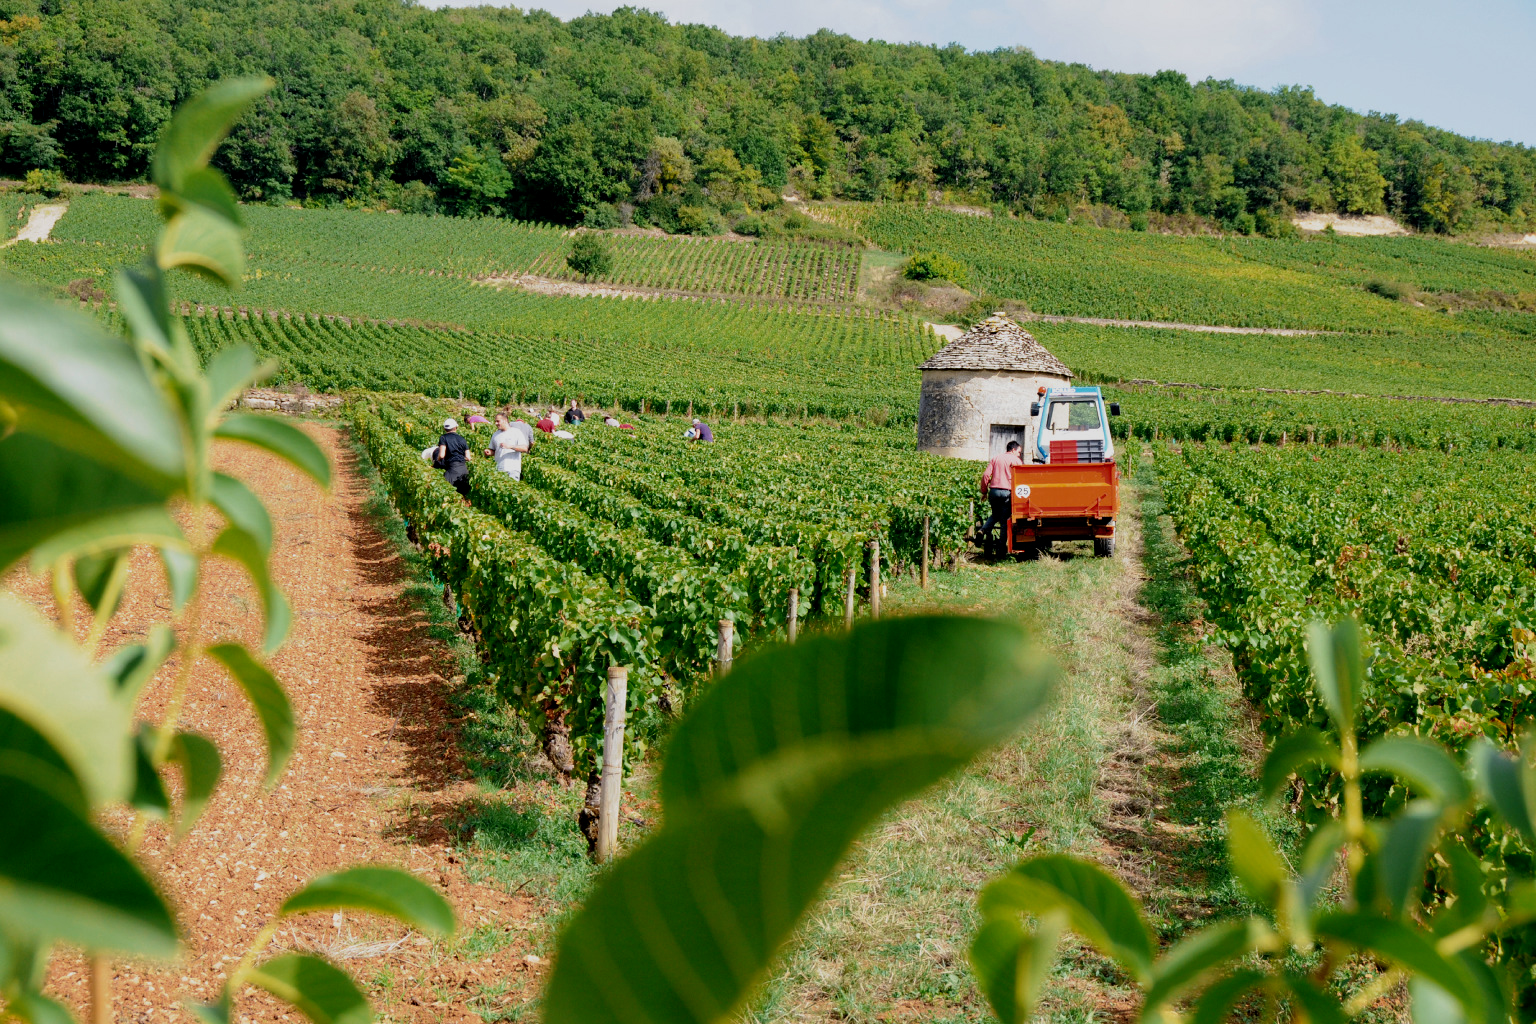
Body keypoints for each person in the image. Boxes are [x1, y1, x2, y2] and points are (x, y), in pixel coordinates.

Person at [979, 440, 1025, 557]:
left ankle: (982, 530)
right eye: (1019, 452)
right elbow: (1022, 479)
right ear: (1013, 450)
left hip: (994, 491)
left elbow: (985, 475)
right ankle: (1001, 550)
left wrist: (984, 491)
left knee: (995, 515)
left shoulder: (996, 458)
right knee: (1004, 522)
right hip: (1007, 493)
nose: (1019, 454)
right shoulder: (1016, 461)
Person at [485, 412, 532, 480]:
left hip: (513, 469)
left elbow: (525, 448)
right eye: (495, 421)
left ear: (505, 420)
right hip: (499, 469)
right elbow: (494, 451)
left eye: (498, 421)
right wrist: (489, 452)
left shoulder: (516, 432)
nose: (496, 423)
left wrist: (510, 446)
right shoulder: (495, 435)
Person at [436, 418, 472, 498]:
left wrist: (437, 460)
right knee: (463, 495)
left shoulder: (443, 438)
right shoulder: (462, 439)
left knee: (448, 493)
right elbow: (468, 457)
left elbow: (441, 455)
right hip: (463, 469)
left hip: (452, 469)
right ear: (456, 428)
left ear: (445, 429)